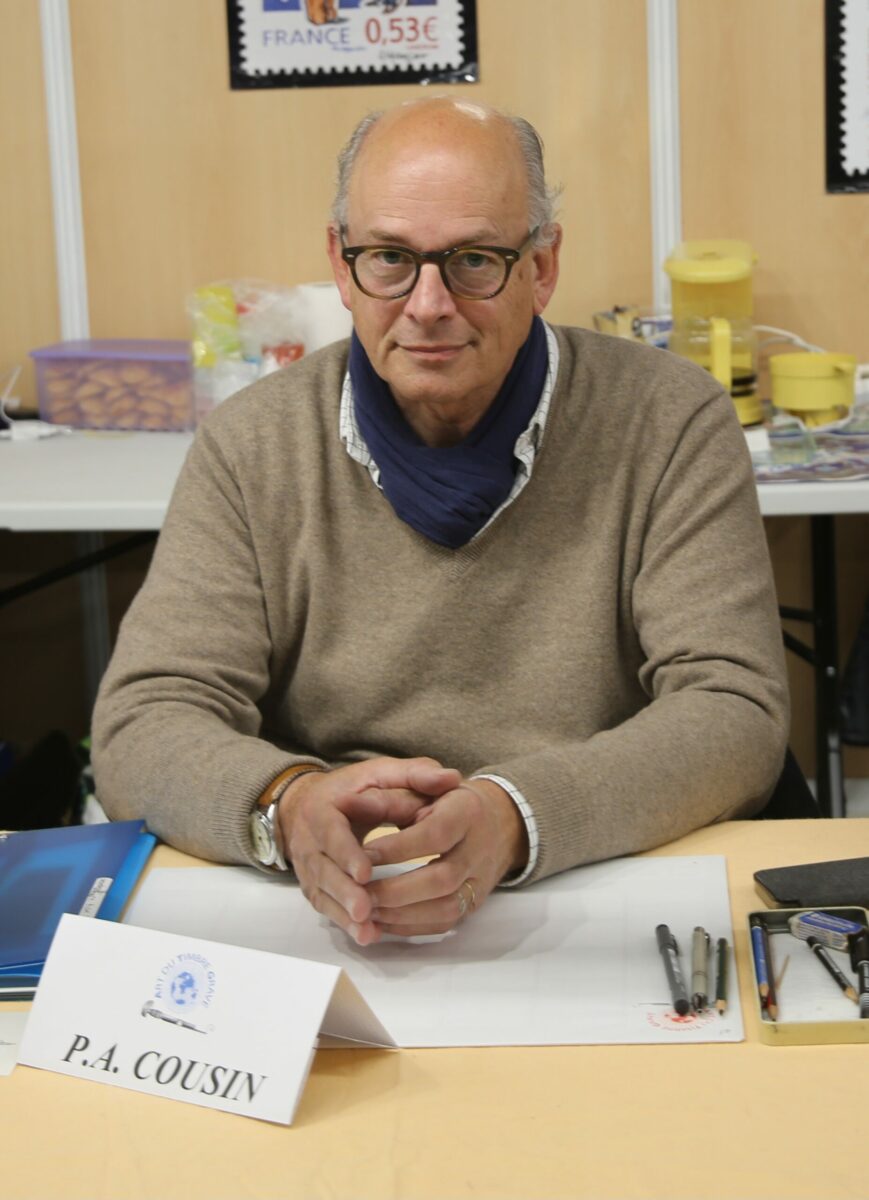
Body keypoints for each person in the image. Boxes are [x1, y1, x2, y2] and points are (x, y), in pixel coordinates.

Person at [92, 97, 789, 946]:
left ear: (542, 267)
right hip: (336, 901)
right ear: (340, 264)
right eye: (389, 258)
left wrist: (515, 816)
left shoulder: (669, 420)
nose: (426, 304)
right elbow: (144, 720)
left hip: (592, 883)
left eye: (473, 261)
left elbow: (733, 709)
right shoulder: (252, 444)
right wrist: (286, 805)